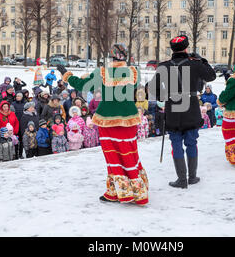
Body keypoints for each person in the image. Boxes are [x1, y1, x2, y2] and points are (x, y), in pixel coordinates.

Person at [59, 42, 149, 205]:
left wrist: (67, 75)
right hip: (129, 120)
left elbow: (81, 85)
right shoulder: (133, 72)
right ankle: (138, 191)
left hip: (108, 120)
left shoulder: (102, 73)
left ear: (111, 56)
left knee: (113, 156)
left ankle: (116, 192)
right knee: (130, 153)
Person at [148, 35, 216, 189]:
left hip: (173, 108)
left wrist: (163, 96)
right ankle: (192, 177)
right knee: (192, 142)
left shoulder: (164, 66)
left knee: (176, 143)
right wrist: (202, 61)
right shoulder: (195, 64)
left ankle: (181, 179)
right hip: (191, 107)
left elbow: (152, 88)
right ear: (186, 48)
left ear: (172, 49)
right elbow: (211, 76)